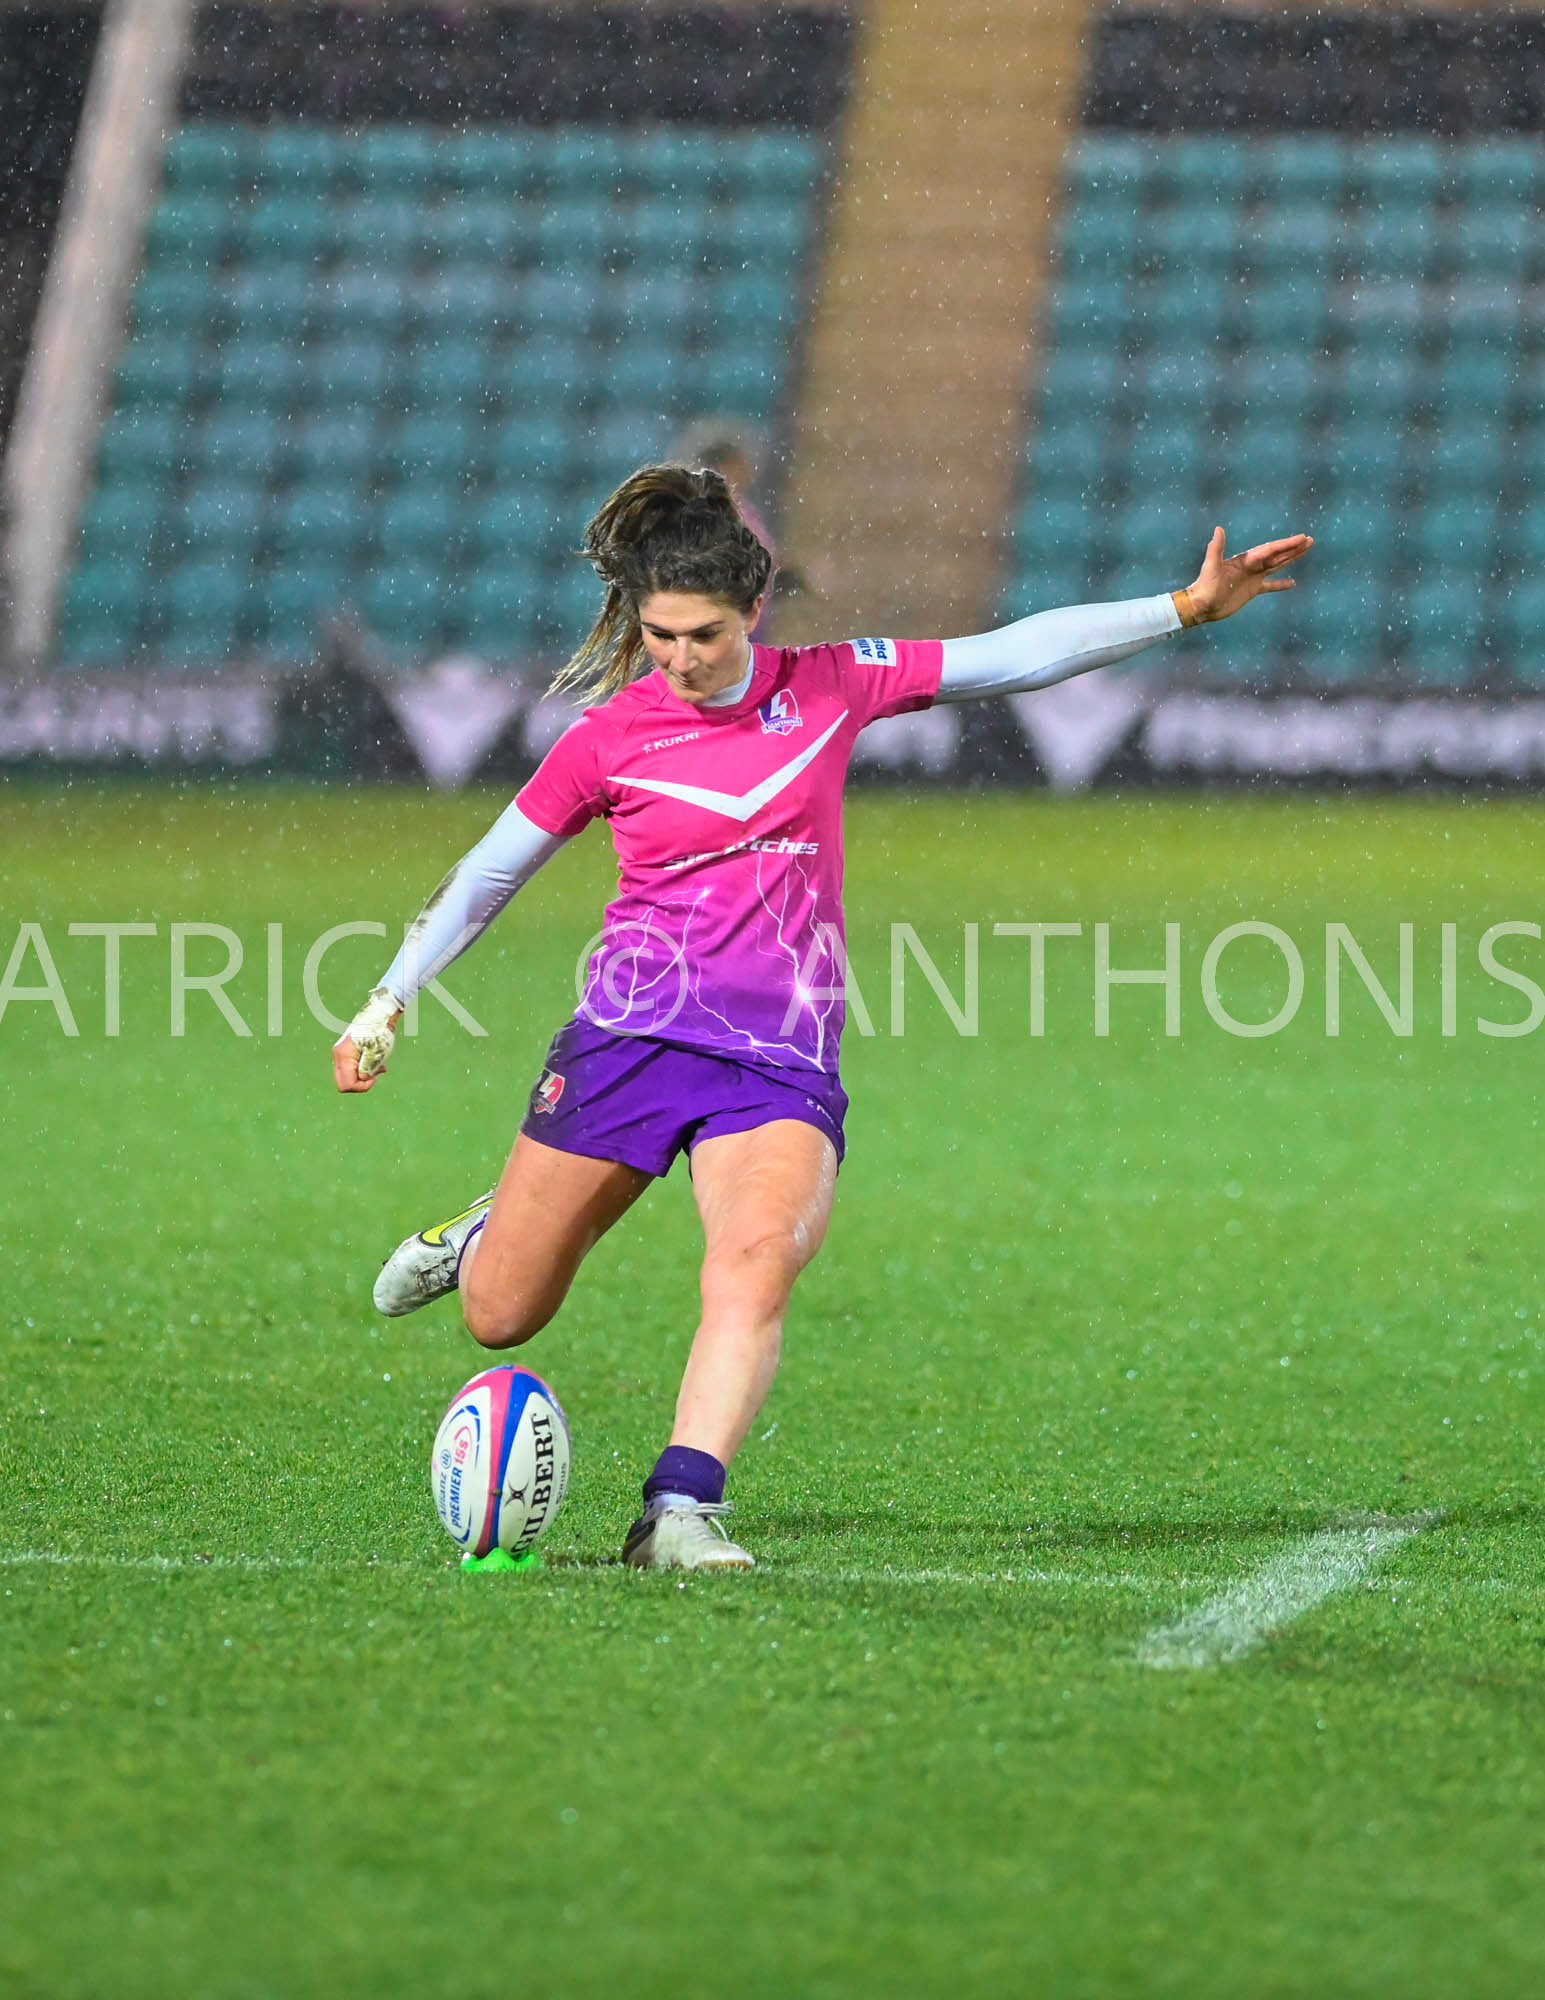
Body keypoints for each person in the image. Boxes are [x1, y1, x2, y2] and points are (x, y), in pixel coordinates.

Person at [333, 465, 1310, 1572]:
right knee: (501, 1314)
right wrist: (388, 998)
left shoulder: (836, 684)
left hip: (775, 1060)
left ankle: (679, 1511)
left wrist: (1180, 609)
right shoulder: (609, 737)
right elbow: (488, 873)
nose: (679, 658)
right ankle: (484, 1229)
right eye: (657, 633)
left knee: (752, 1260)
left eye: (702, 633)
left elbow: (1010, 653)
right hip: (627, 1044)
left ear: (754, 610)